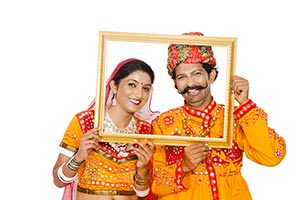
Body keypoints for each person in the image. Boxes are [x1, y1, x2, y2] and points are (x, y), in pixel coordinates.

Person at [150, 32, 286, 200]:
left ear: (212, 76)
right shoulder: (163, 124)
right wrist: (184, 167)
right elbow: (155, 185)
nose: (190, 83)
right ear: (175, 84)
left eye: (197, 74)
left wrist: (245, 104)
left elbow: (273, 156)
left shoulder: (234, 118)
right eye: (182, 77)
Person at [52, 58, 160, 200]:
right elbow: (58, 181)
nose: (139, 95)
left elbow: (142, 195)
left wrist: (143, 168)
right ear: (114, 86)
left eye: (145, 88)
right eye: (132, 85)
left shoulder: (145, 131)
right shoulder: (86, 122)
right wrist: (79, 157)